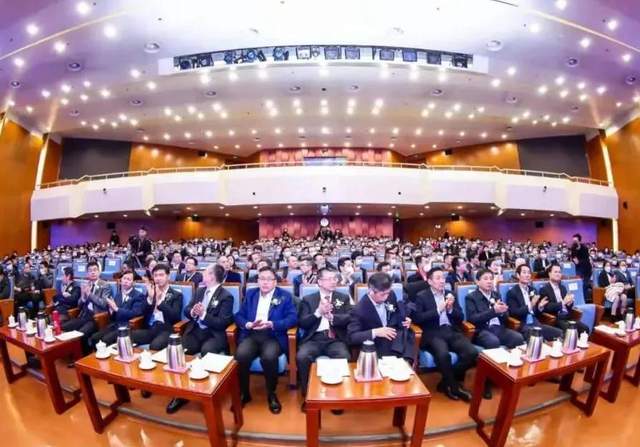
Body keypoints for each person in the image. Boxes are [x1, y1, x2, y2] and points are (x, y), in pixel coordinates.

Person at [167, 264, 234, 414]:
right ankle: (181, 393)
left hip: (213, 334)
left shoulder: (226, 296)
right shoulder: (200, 291)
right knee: (181, 350)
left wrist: (203, 315)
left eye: (205, 272)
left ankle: (208, 395)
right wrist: (193, 311)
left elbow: (222, 323)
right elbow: (187, 310)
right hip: (196, 330)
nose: (202, 274)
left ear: (212, 276)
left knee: (207, 351)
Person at [234, 266, 297, 414]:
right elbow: (239, 315)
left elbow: (293, 318)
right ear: (257, 280)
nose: (265, 282)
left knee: (268, 357)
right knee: (241, 356)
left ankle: (271, 393)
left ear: (275, 282)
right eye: (262, 279)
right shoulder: (251, 294)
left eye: (269, 279)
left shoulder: (285, 296)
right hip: (252, 334)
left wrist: (273, 324)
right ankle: (244, 393)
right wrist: (248, 324)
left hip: (273, 335)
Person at [413, 267, 476, 402]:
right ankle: (454, 387)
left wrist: (451, 309)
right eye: (438, 278)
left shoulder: (450, 294)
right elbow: (418, 319)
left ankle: (446, 382)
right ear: (430, 281)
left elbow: (460, 317)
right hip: (432, 333)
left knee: (471, 353)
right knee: (443, 355)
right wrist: (438, 310)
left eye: (443, 278)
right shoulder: (421, 296)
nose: (442, 281)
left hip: (450, 330)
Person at [297, 268, 351, 411]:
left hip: (334, 339)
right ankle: (307, 396)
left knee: (343, 356)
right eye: (329, 279)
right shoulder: (308, 300)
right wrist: (318, 313)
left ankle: (337, 397)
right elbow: (302, 323)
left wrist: (333, 318)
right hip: (313, 339)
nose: (334, 281)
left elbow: (350, 317)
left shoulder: (343, 297)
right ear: (320, 282)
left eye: (335, 278)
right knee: (302, 356)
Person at [347, 272, 416, 362]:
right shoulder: (358, 310)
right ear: (371, 291)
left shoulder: (391, 294)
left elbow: (396, 312)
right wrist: (376, 332)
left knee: (407, 342)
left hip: (394, 337)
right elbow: (352, 337)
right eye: (382, 294)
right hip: (376, 343)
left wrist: (404, 319)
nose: (385, 297)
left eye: (388, 293)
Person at [61, 261, 112, 353]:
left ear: (99, 272)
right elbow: (79, 305)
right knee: (64, 327)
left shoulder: (105, 285)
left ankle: (85, 355)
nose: (93, 272)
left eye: (95, 270)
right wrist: (83, 298)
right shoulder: (86, 285)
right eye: (90, 270)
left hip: (96, 317)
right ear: (87, 273)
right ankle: (73, 352)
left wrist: (89, 294)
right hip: (84, 315)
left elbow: (103, 304)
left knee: (81, 333)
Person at [131, 264, 183, 350]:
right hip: (150, 328)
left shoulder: (176, 295)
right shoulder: (151, 292)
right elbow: (141, 311)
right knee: (128, 336)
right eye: (155, 275)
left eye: (161, 275)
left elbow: (175, 316)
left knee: (155, 346)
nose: (158, 278)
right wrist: (150, 298)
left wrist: (159, 302)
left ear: (168, 276)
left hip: (166, 329)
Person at [506, 265, 562, 341]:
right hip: (522, 324)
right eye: (524, 272)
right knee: (537, 337)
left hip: (535, 322)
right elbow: (514, 313)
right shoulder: (512, 292)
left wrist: (540, 307)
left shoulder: (533, 290)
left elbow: (537, 312)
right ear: (518, 275)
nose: (527, 275)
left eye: (529, 273)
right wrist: (530, 305)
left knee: (559, 333)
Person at [89, 270, 145, 346]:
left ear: (134, 283)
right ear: (121, 280)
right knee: (95, 337)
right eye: (124, 278)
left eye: (128, 279)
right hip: (115, 324)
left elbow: (134, 313)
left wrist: (116, 309)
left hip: (127, 326)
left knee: (105, 340)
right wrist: (111, 310)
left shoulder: (138, 295)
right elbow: (113, 316)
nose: (125, 281)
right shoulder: (118, 295)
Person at [539, 264, 590, 335]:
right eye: (555, 272)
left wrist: (570, 302)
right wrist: (563, 303)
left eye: (559, 272)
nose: (558, 274)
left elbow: (568, 305)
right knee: (569, 331)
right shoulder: (544, 289)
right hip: (556, 318)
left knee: (585, 329)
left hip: (567, 316)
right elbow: (547, 307)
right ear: (549, 274)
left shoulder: (563, 288)